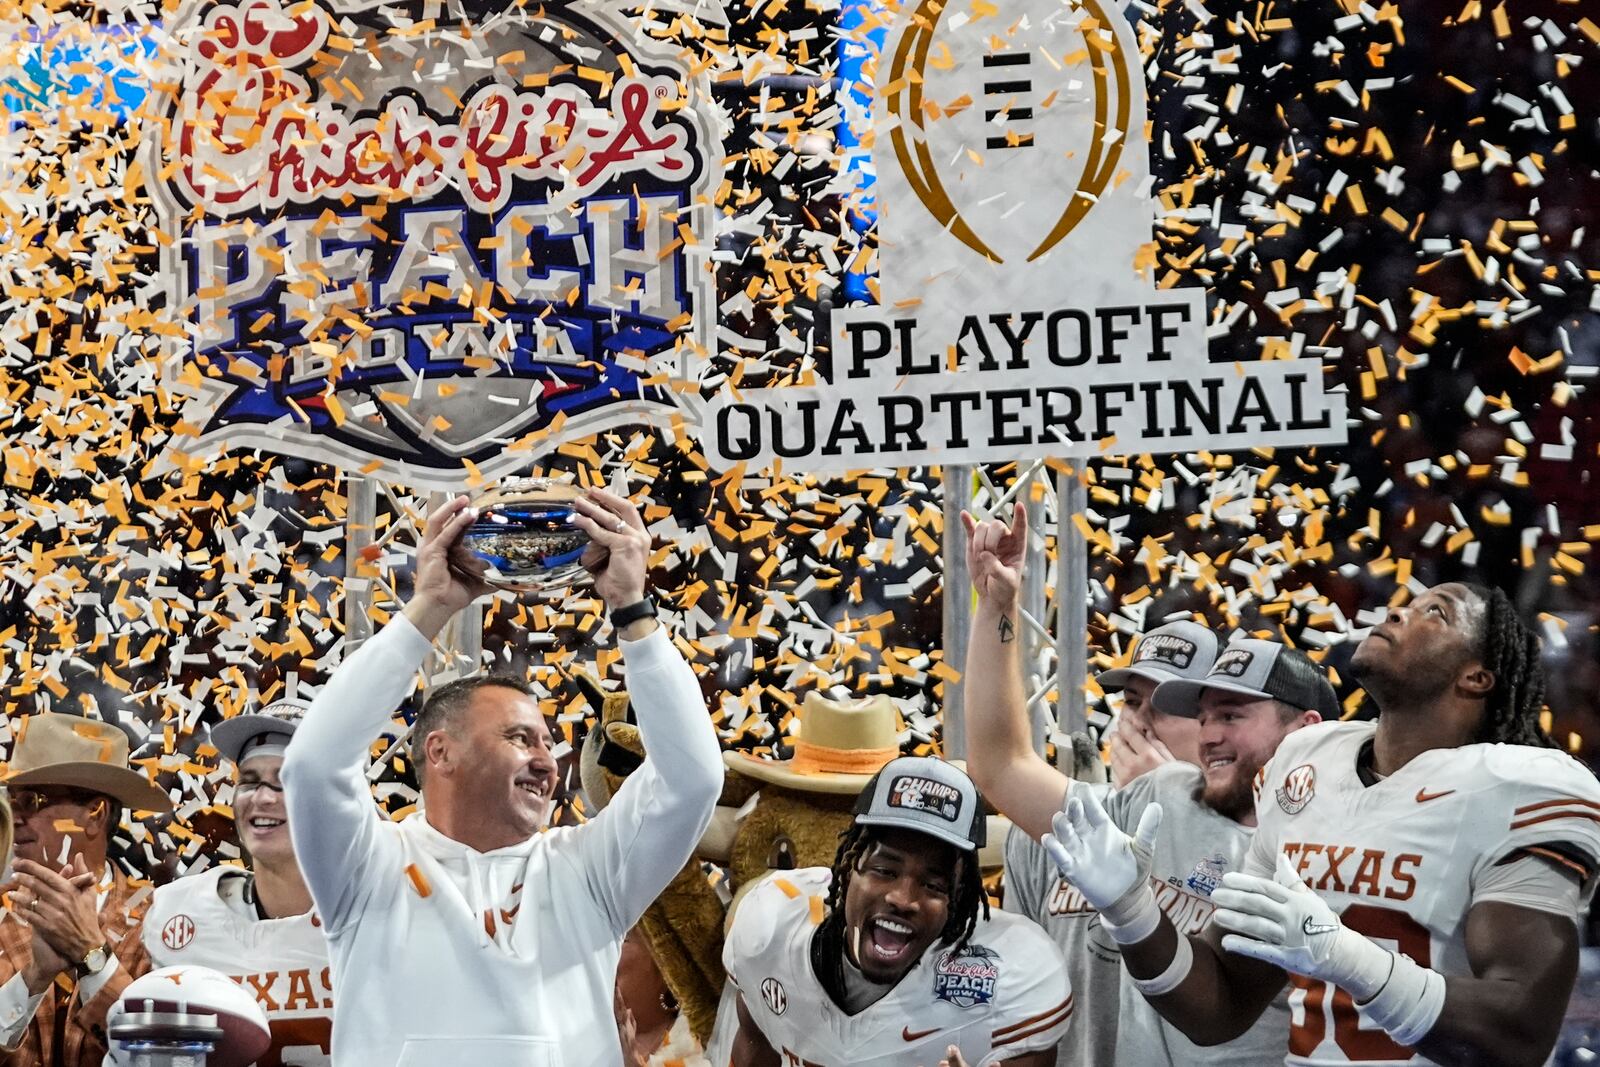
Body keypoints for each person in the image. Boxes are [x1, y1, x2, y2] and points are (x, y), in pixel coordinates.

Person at [1043, 581, 1600, 1067]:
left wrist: (1343, 955)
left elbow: (1519, 1035)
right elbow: (1219, 1006)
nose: (1398, 612)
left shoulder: (1523, 784)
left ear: (1477, 677)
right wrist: (1131, 911)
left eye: (1438, 613)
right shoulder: (1306, 762)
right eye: (1408, 604)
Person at [279, 489, 724, 1067]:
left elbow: (692, 780)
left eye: (546, 743)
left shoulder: (588, 871)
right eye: (519, 738)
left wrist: (632, 609)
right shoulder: (366, 869)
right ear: (440, 752)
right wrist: (430, 608)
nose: (546, 761)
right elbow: (313, 765)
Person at [963, 503, 1327, 1067]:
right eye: (1203, 715)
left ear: (1305, 732)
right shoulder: (1158, 801)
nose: (1208, 734)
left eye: (1229, 715)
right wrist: (997, 606)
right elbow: (1001, 764)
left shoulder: (1328, 850)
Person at [724, 756, 1071, 1067]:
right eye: (884, 871)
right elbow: (753, 1050)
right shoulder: (774, 928)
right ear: (847, 870)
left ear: (958, 899)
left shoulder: (1010, 977)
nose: (904, 899)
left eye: (933, 885)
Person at [141, 698, 332, 1063]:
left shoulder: (380, 912)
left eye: (285, 781)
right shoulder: (179, 915)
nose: (262, 798)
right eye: (249, 781)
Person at [0, 712, 173, 1066]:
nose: (15, 817)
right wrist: (33, 978)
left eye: (32, 801)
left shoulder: (164, 921)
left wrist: (91, 955)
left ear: (95, 812)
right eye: (12, 800)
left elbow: (162, 1056)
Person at [1100, 620, 1215, 787]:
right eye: (1132, 702)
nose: (1138, 722)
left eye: (1165, 704)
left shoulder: (1259, 801)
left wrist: (1165, 794)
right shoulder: (1101, 802)